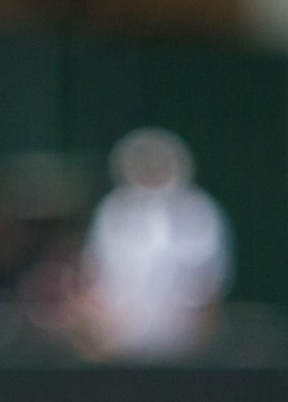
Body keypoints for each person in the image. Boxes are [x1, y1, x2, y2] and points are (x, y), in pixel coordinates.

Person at [79, 128, 232, 358]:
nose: (152, 170)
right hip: (122, 342)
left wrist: (200, 333)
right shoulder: (113, 211)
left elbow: (210, 280)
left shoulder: (199, 212)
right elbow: (96, 273)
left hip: (182, 342)